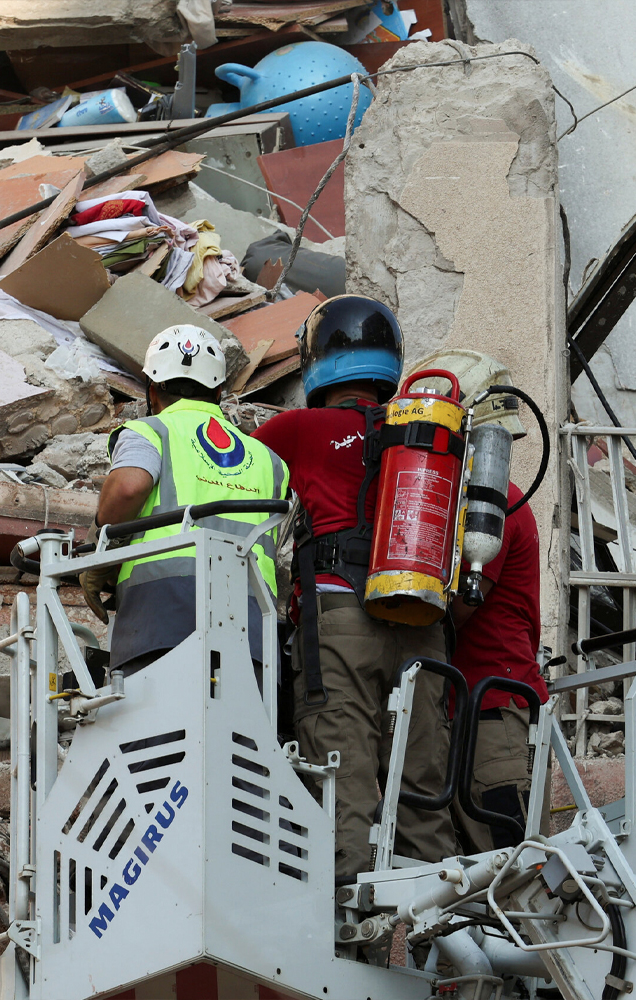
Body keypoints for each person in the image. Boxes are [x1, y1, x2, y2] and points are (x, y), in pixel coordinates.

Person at [252, 295, 456, 882]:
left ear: (317, 360)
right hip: (421, 613)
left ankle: (343, 933)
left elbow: (241, 480)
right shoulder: (421, 438)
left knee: (342, 769)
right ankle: (438, 933)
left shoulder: (300, 427)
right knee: (421, 776)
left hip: (340, 615)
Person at [82, 325, 288, 675]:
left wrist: (99, 552)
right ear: (219, 390)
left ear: (153, 390)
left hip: (163, 614)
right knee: (241, 727)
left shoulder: (150, 431)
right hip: (254, 623)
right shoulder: (271, 461)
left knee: (162, 727)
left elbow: (129, 487)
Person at [411, 350, 548, 854]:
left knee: (511, 876)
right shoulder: (458, 499)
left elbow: (452, 615)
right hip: (463, 710)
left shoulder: (493, 506)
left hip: (492, 716)